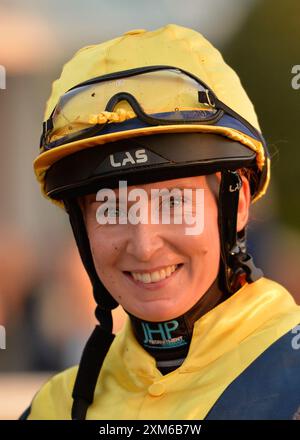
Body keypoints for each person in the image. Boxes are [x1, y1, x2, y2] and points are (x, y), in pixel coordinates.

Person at [21, 24, 300, 420]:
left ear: (235, 204)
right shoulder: (54, 407)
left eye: (173, 201)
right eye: (111, 209)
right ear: (81, 228)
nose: (145, 244)